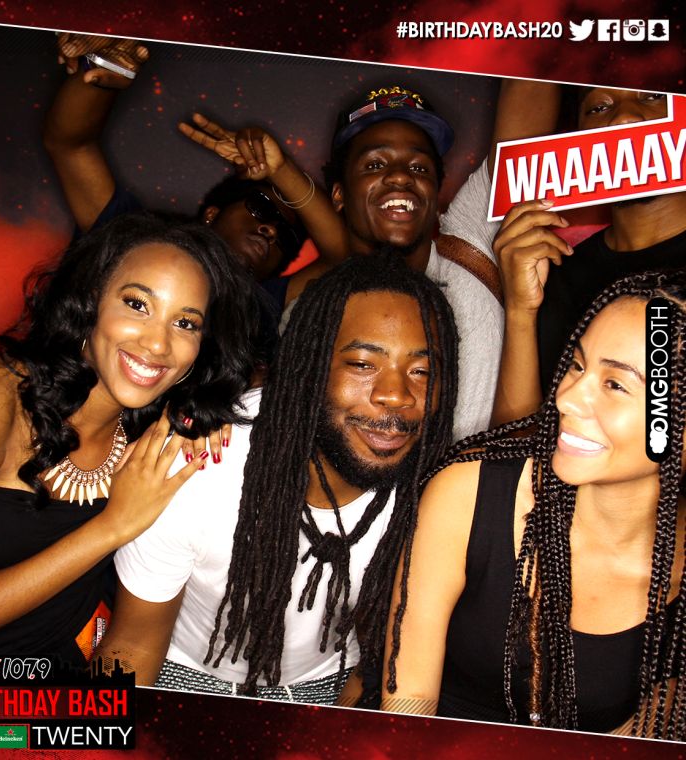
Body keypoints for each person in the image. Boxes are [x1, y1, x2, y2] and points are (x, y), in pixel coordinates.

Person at [97, 252, 458, 705]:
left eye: (423, 371)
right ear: (310, 368)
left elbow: (379, 654)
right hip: (185, 672)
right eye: (363, 364)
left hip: (328, 684)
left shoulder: (435, 488)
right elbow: (133, 647)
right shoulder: (198, 466)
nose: (396, 395)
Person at [0, 213, 258, 667]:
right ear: (90, 300)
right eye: (137, 305)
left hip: (75, 680)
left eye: (185, 323)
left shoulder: (158, 426)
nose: (157, 344)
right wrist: (112, 526)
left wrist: (208, 420)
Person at [383, 268, 686, 738]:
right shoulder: (468, 493)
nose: (566, 398)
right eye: (577, 365)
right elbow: (406, 706)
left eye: (616, 385)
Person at [44, 33, 349, 322]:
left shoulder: (260, 314)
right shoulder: (133, 242)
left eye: (286, 238)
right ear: (212, 214)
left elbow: (342, 258)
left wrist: (282, 169)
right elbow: (72, 146)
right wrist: (105, 70)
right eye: (262, 208)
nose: (271, 230)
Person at [322, 83, 547, 442]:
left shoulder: (470, 245)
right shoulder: (315, 312)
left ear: (436, 190)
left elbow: (532, 95)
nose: (401, 176)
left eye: (420, 167)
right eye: (375, 164)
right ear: (339, 194)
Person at [492, 86, 686, 425]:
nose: (625, 117)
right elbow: (513, 446)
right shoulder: (554, 272)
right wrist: (520, 312)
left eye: (652, 95)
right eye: (599, 107)